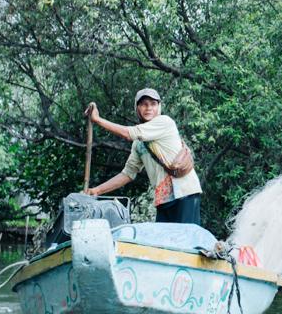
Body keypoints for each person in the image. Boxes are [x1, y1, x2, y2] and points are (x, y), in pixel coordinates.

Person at [84, 88, 203, 225]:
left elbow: (129, 133)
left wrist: (98, 120)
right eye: (144, 104)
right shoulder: (138, 144)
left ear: (159, 107)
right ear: (137, 108)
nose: (148, 108)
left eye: (153, 104)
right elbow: (128, 173)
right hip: (163, 199)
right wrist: (96, 190)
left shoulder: (164, 122)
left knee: (186, 241)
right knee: (163, 245)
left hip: (184, 192)